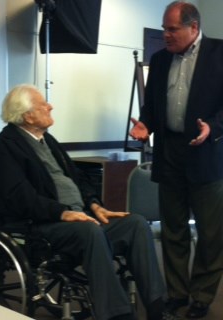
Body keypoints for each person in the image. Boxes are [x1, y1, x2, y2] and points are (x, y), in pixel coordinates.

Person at [0, 84, 166, 320]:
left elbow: (76, 177)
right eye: (43, 105)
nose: (50, 106)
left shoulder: (47, 140)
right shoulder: (4, 149)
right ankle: (117, 314)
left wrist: (94, 205)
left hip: (78, 218)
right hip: (40, 225)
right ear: (28, 115)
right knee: (89, 232)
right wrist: (62, 213)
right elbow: (22, 199)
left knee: (136, 224)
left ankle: (156, 305)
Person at [130, 1, 223, 319]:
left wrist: (213, 128)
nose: (166, 34)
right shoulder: (159, 59)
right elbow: (153, 108)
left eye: (172, 29)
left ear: (193, 27)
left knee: (211, 234)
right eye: (164, 28)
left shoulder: (219, 53)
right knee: (173, 231)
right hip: (169, 155)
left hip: (207, 155)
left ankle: (201, 296)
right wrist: (145, 124)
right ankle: (177, 293)